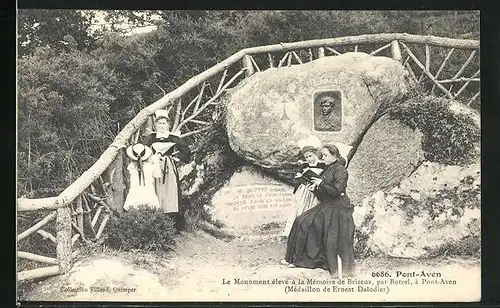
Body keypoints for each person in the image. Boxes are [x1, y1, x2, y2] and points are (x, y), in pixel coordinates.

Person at [281, 143, 355, 278]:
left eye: (326, 155)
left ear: (334, 155)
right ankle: (297, 258)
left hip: (338, 207)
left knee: (307, 222)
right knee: (300, 220)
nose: (323, 158)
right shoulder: (329, 169)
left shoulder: (340, 170)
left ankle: (309, 258)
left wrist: (320, 184)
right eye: (323, 155)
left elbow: (337, 191)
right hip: (327, 204)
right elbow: (325, 194)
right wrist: (315, 189)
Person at [143, 109, 192, 231]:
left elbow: (186, 150)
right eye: (159, 123)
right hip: (154, 166)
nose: (162, 126)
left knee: (170, 191)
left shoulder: (173, 138)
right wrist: (150, 158)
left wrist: (176, 158)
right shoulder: (151, 137)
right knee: (155, 189)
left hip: (168, 167)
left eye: (164, 123)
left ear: (168, 125)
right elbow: (143, 150)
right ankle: (156, 218)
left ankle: (172, 223)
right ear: (155, 125)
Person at [281, 146, 327, 237]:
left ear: (316, 154)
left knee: (313, 209)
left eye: (310, 156)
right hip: (303, 190)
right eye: (306, 157)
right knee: (300, 208)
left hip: (315, 191)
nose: (309, 159)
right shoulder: (304, 165)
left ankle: (313, 233)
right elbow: (299, 175)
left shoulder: (323, 165)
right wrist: (299, 176)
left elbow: (325, 178)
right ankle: (299, 231)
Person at [123, 143, 161, 212]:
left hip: (134, 196)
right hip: (149, 195)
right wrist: (156, 161)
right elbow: (157, 175)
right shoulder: (150, 167)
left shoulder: (131, 167)